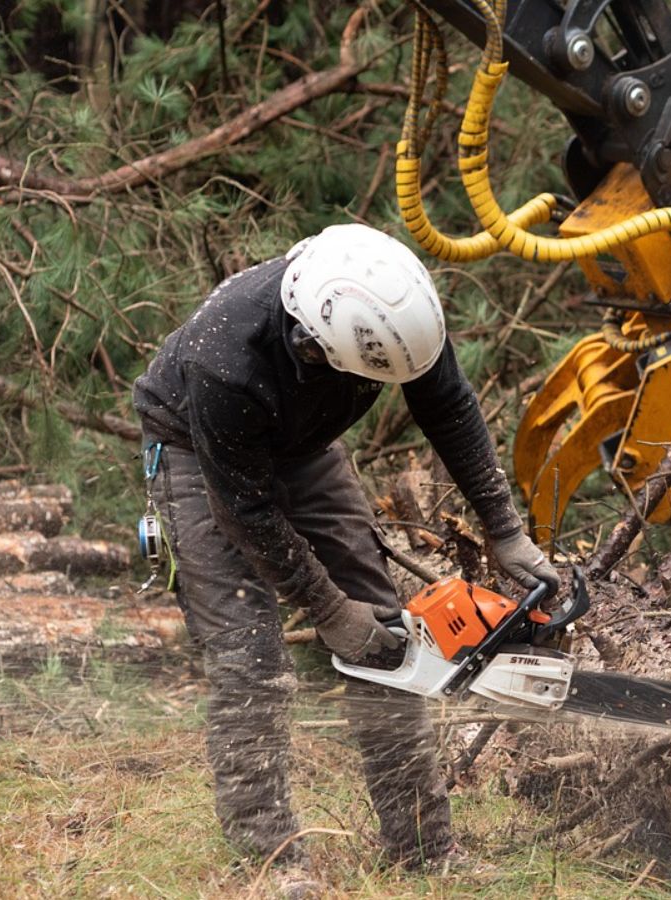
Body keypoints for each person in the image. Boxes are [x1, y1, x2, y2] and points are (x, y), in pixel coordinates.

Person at [132, 223, 558, 889]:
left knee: (387, 637)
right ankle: (270, 858)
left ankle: (423, 843)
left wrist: (504, 529)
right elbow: (244, 511)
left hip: (303, 448)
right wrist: (329, 610)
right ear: (310, 343)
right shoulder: (226, 357)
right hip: (199, 453)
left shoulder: (394, 312)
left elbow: (448, 406)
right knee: (251, 659)